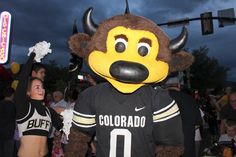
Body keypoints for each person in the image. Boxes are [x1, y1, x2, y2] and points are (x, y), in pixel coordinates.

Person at [15, 52, 63, 157]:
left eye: (42, 87)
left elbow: (62, 126)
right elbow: (23, 79)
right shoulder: (24, 108)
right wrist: (32, 55)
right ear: (28, 92)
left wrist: (59, 133)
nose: (42, 90)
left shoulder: (48, 111)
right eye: (37, 87)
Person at [163, 74, 202, 157]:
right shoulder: (189, 99)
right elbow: (197, 124)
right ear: (179, 85)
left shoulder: (157, 99)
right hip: (186, 146)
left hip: (165, 147)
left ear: (165, 86)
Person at [0, 86, 16, 157]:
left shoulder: (0, 103)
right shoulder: (13, 105)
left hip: (1, 132)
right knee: (8, 153)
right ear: (12, 95)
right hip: (10, 133)